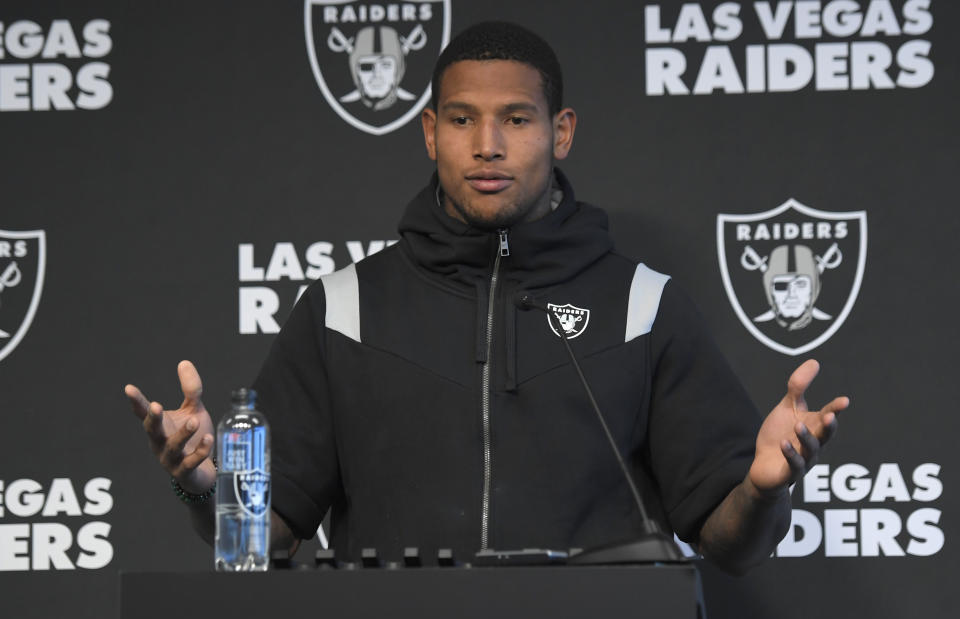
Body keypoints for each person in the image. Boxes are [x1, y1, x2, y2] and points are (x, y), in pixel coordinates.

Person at [124, 21, 848, 575]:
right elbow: (263, 535)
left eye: (518, 119)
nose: (488, 145)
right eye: (463, 119)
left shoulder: (642, 305)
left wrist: (760, 489)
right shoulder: (343, 307)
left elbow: (730, 542)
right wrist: (204, 483)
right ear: (431, 132)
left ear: (560, 133)